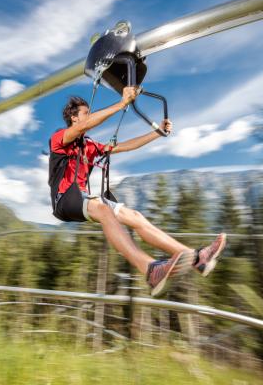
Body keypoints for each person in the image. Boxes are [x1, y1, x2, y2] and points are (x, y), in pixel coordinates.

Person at [48, 87, 226, 298]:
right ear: (74, 118)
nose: (89, 116)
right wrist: (121, 104)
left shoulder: (89, 145)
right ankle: (149, 269)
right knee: (104, 211)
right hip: (65, 199)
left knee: (135, 217)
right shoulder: (60, 138)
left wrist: (157, 133)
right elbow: (85, 126)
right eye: (86, 113)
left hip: (84, 198)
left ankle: (196, 259)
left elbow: (124, 146)